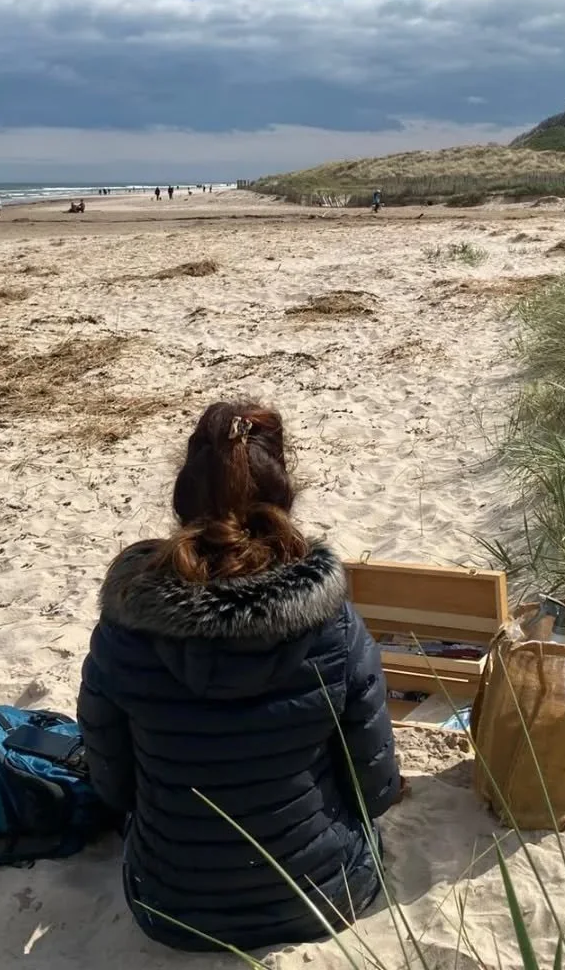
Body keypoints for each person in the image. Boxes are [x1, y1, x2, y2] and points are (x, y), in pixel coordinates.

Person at [78, 402, 402, 952]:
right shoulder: (330, 621)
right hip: (327, 897)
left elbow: (113, 787)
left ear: (185, 498)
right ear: (284, 495)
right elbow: (375, 787)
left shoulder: (126, 624)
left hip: (170, 907)